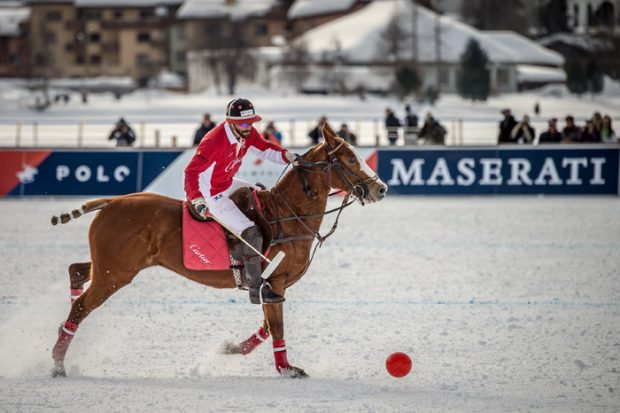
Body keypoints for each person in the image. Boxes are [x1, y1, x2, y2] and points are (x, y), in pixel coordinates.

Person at [184, 98, 299, 305]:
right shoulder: (214, 141)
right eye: (245, 124)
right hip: (210, 192)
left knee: (262, 199)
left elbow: (264, 148)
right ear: (231, 122)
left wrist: (287, 156)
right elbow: (191, 171)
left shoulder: (246, 132)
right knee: (251, 232)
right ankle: (254, 286)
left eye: (252, 123)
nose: (249, 127)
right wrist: (197, 199)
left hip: (226, 182)